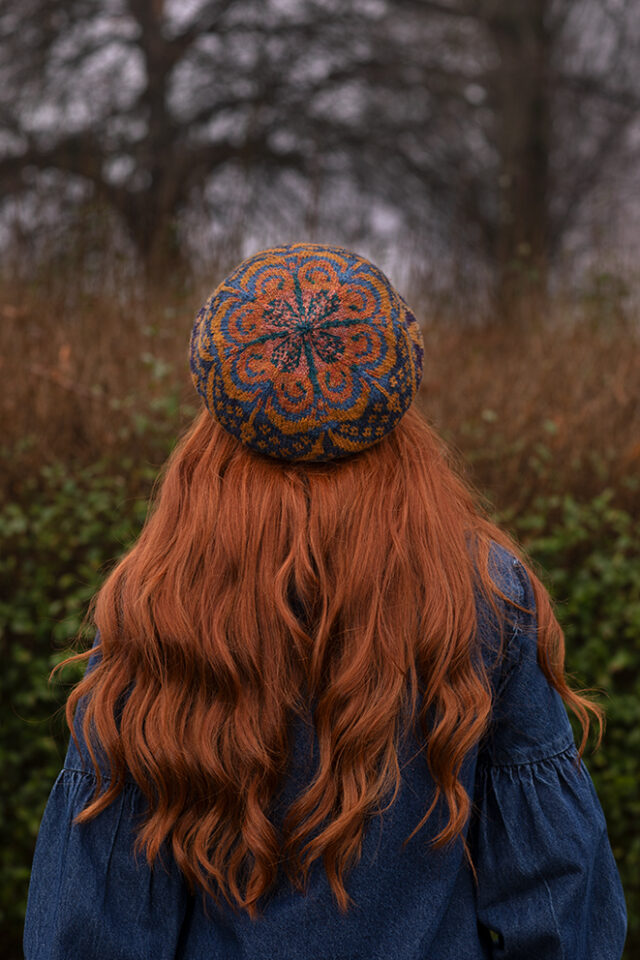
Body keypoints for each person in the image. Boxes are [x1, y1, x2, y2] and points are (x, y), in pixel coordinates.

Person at [23, 242, 627, 959]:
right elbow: (562, 896)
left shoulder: (158, 604)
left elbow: (86, 923)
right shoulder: (481, 594)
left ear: (217, 412)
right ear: (394, 401)